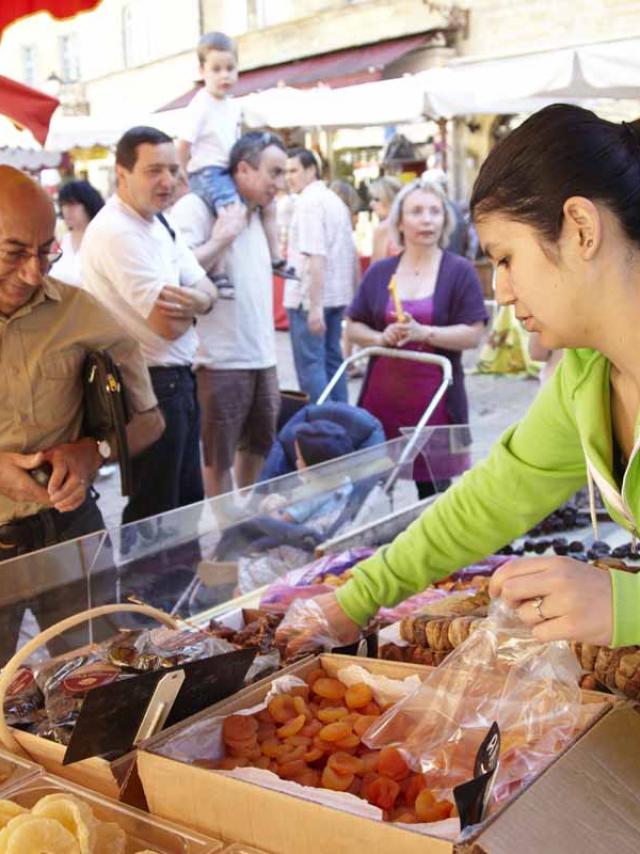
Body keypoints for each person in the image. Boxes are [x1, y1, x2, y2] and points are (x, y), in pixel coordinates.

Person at [276, 105, 640, 655]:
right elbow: (492, 498)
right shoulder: (586, 378)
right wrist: (358, 598)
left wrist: (625, 606)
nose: (505, 290)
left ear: (582, 229)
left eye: (507, 258)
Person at [0, 166, 163, 657]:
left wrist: (96, 451)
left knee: (96, 682)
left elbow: (149, 422)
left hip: (70, 535)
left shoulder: (83, 315)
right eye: (13, 254)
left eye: (45, 251)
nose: (32, 272)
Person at [81, 126, 216, 525]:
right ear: (122, 173)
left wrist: (199, 301)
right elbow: (167, 327)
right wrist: (200, 306)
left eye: (173, 170)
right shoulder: (117, 232)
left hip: (177, 380)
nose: (168, 181)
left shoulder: (159, 224)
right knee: (156, 513)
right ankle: (147, 590)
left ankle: (179, 586)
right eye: (154, 170)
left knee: (186, 504)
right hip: (149, 388)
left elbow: (206, 287)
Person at [346, 178, 487, 498]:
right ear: (399, 221)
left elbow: (474, 334)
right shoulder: (381, 272)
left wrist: (425, 333)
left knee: (435, 496)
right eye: (417, 212)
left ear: (445, 220)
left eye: (435, 212)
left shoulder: (459, 271)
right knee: (364, 489)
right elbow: (353, 327)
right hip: (381, 402)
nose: (427, 219)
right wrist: (381, 338)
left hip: (437, 406)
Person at [171, 131, 287, 497]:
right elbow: (177, 270)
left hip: (262, 354)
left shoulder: (256, 212)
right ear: (243, 169)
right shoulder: (197, 207)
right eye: (274, 172)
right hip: (218, 358)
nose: (280, 184)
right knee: (218, 453)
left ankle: (245, 518)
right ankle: (226, 527)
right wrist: (221, 239)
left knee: (258, 443)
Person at [176, 31, 291, 297]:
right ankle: (218, 272)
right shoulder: (200, 105)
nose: (224, 75)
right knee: (231, 214)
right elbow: (183, 146)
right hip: (208, 172)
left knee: (265, 207)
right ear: (202, 71)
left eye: (230, 68)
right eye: (216, 69)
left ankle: (276, 256)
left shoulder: (232, 106)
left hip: (226, 169)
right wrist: (182, 178)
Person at [284, 147, 359, 404]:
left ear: (310, 170)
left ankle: (323, 426)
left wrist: (314, 307)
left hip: (311, 299)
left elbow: (316, 255)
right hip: (335, 295)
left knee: (311, 367)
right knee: (331, 361)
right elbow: (350, 251)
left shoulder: (308, 203)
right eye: (285, 171)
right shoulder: (332, 199)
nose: (288, 177)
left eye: (293, 170)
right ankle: (341, 422)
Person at [51, 180, 104, 286]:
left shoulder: (103, 240)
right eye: (63, 205)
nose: (67, 210)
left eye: (73, 204)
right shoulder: (63, 240)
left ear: (88, 204)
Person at [369, 175, 402, 262]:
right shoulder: (411, 223)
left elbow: (376, 271)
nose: (371, 204)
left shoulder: (383, 229)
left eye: (376, 199)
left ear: (390, 199)